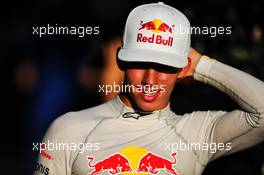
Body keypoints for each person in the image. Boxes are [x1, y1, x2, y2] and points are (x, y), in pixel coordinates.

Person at [34, 2, 264, 175]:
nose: (150, 80)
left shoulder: (198, 133)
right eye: (140, 63)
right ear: (120, 60)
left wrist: (202, 65)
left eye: (164, 67)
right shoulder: (68, 130)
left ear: (183, 68)